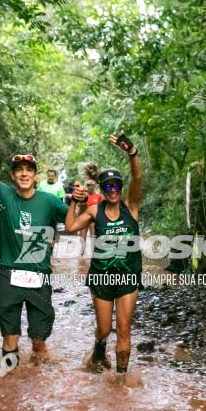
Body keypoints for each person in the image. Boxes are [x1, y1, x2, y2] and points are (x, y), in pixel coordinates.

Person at [0, 123, 68, 366]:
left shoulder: (50, 201)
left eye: (28, 170)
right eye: (19, 170)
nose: (23, 173)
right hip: (9, 276)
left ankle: (38, 390)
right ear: (12, 175)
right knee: (10, 340)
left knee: (39, 343)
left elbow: (73, 223)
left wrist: (86, 205)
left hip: (40, 276)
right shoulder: (3, 193)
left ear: (35, 176)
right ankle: (9, 386)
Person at [65, 133, 142, 374]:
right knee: (105, 329)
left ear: (120, 188)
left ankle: (120, 379)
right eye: (107, 186)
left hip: (128, 276)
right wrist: (74, 204)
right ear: (102, 189)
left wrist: (132, 153)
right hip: (101, 277)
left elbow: (138, 177)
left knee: (124, 330)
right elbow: (70, 227)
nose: (112, 190)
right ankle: (99, 347)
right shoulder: (94, 210)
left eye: (116, 185)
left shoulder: (131, 207)